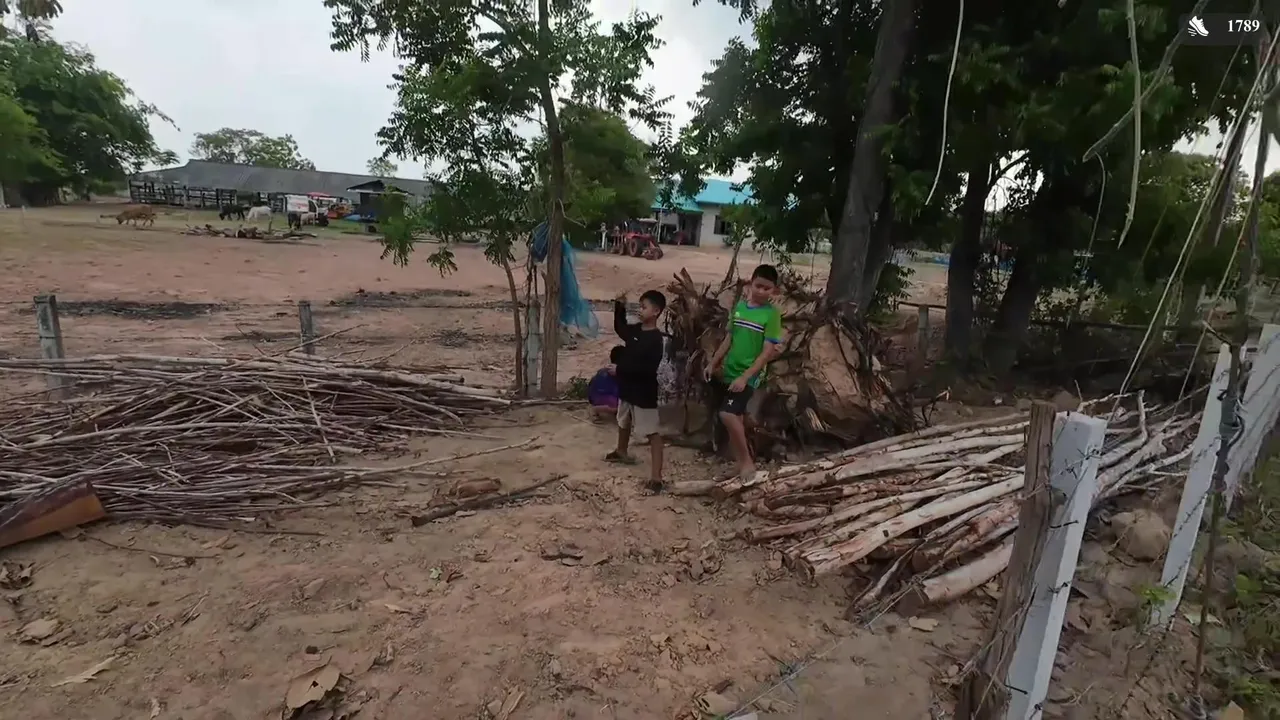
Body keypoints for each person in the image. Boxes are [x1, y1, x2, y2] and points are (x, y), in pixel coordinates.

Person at [704, 264, 783, 481]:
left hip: (749, 375)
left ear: (774, 291)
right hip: (729, 371)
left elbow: (767, 352)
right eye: (758, 286)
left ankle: (748, 464)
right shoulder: (739, 307)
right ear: (750, 284)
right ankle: (739, 464)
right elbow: (729, 338)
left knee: (727, 414)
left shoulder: (772, 315)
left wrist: (745, 377)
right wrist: (713, 362)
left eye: (767, 288)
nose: (761, 291)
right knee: (735, 419)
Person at [607, 289, 667, 491]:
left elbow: (647, 369)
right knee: (623, 421)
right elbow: (620, 328)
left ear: (656, 311)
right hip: (628, 388)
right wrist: (619, 306)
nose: (640, 310)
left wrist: (620, 370)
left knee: (652, 433)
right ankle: (621, 451)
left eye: (644, 307)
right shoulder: (635, 331)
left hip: (643, 393)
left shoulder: (655, 340)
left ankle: (656, 478)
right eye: (640, 306)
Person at [586, 347, 623, 422]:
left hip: (598, 395)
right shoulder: (616, 371)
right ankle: (594, 409)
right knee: (624, 406)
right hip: (602, 397)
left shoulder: (607, 369)